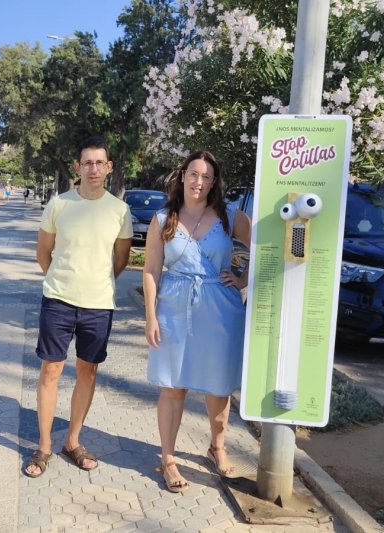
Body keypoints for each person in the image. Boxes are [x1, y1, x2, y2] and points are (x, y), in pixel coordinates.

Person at [22, 134, 133, 478]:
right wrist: (63, 280)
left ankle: (72, 440)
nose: (94, 168)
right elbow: (44, 253)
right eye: (88, 162)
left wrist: (96, 282)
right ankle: (43, 447)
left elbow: (121, 259)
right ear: (78, 167)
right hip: (58, 300)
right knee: (50, 370)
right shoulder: (59, 205)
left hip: (98, 305)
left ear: (109, 167)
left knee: (88, 371)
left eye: (100, 162)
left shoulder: (119, 210)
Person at [143, 150, 251, 492]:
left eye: (206, 176)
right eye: (193, 174)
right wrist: (150, 316)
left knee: (218, 387)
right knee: (173, 385)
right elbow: (150, 269)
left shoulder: (231, 215)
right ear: (183, 176)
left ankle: (217, 447)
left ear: (214, 182)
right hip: (174, 308)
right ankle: (168, 459)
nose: (199, 182)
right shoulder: (163, 219)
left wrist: (243, 278)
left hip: (221, 308)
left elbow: (262, 250)